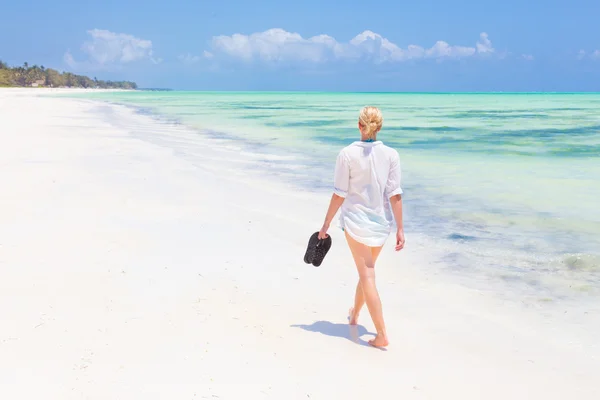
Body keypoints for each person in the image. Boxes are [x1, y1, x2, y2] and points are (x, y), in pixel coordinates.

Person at [317, 106, 405, 348]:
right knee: (366, 271)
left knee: (367, 273)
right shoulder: (391, 155)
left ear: (359, 125)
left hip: (356, 223)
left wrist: (325, 225)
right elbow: (394, 195)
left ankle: (382, 333)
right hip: (381, 226)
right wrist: (400, 228)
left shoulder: (347, 154)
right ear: (379, 127)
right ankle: (355, 315)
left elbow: (339, 194)